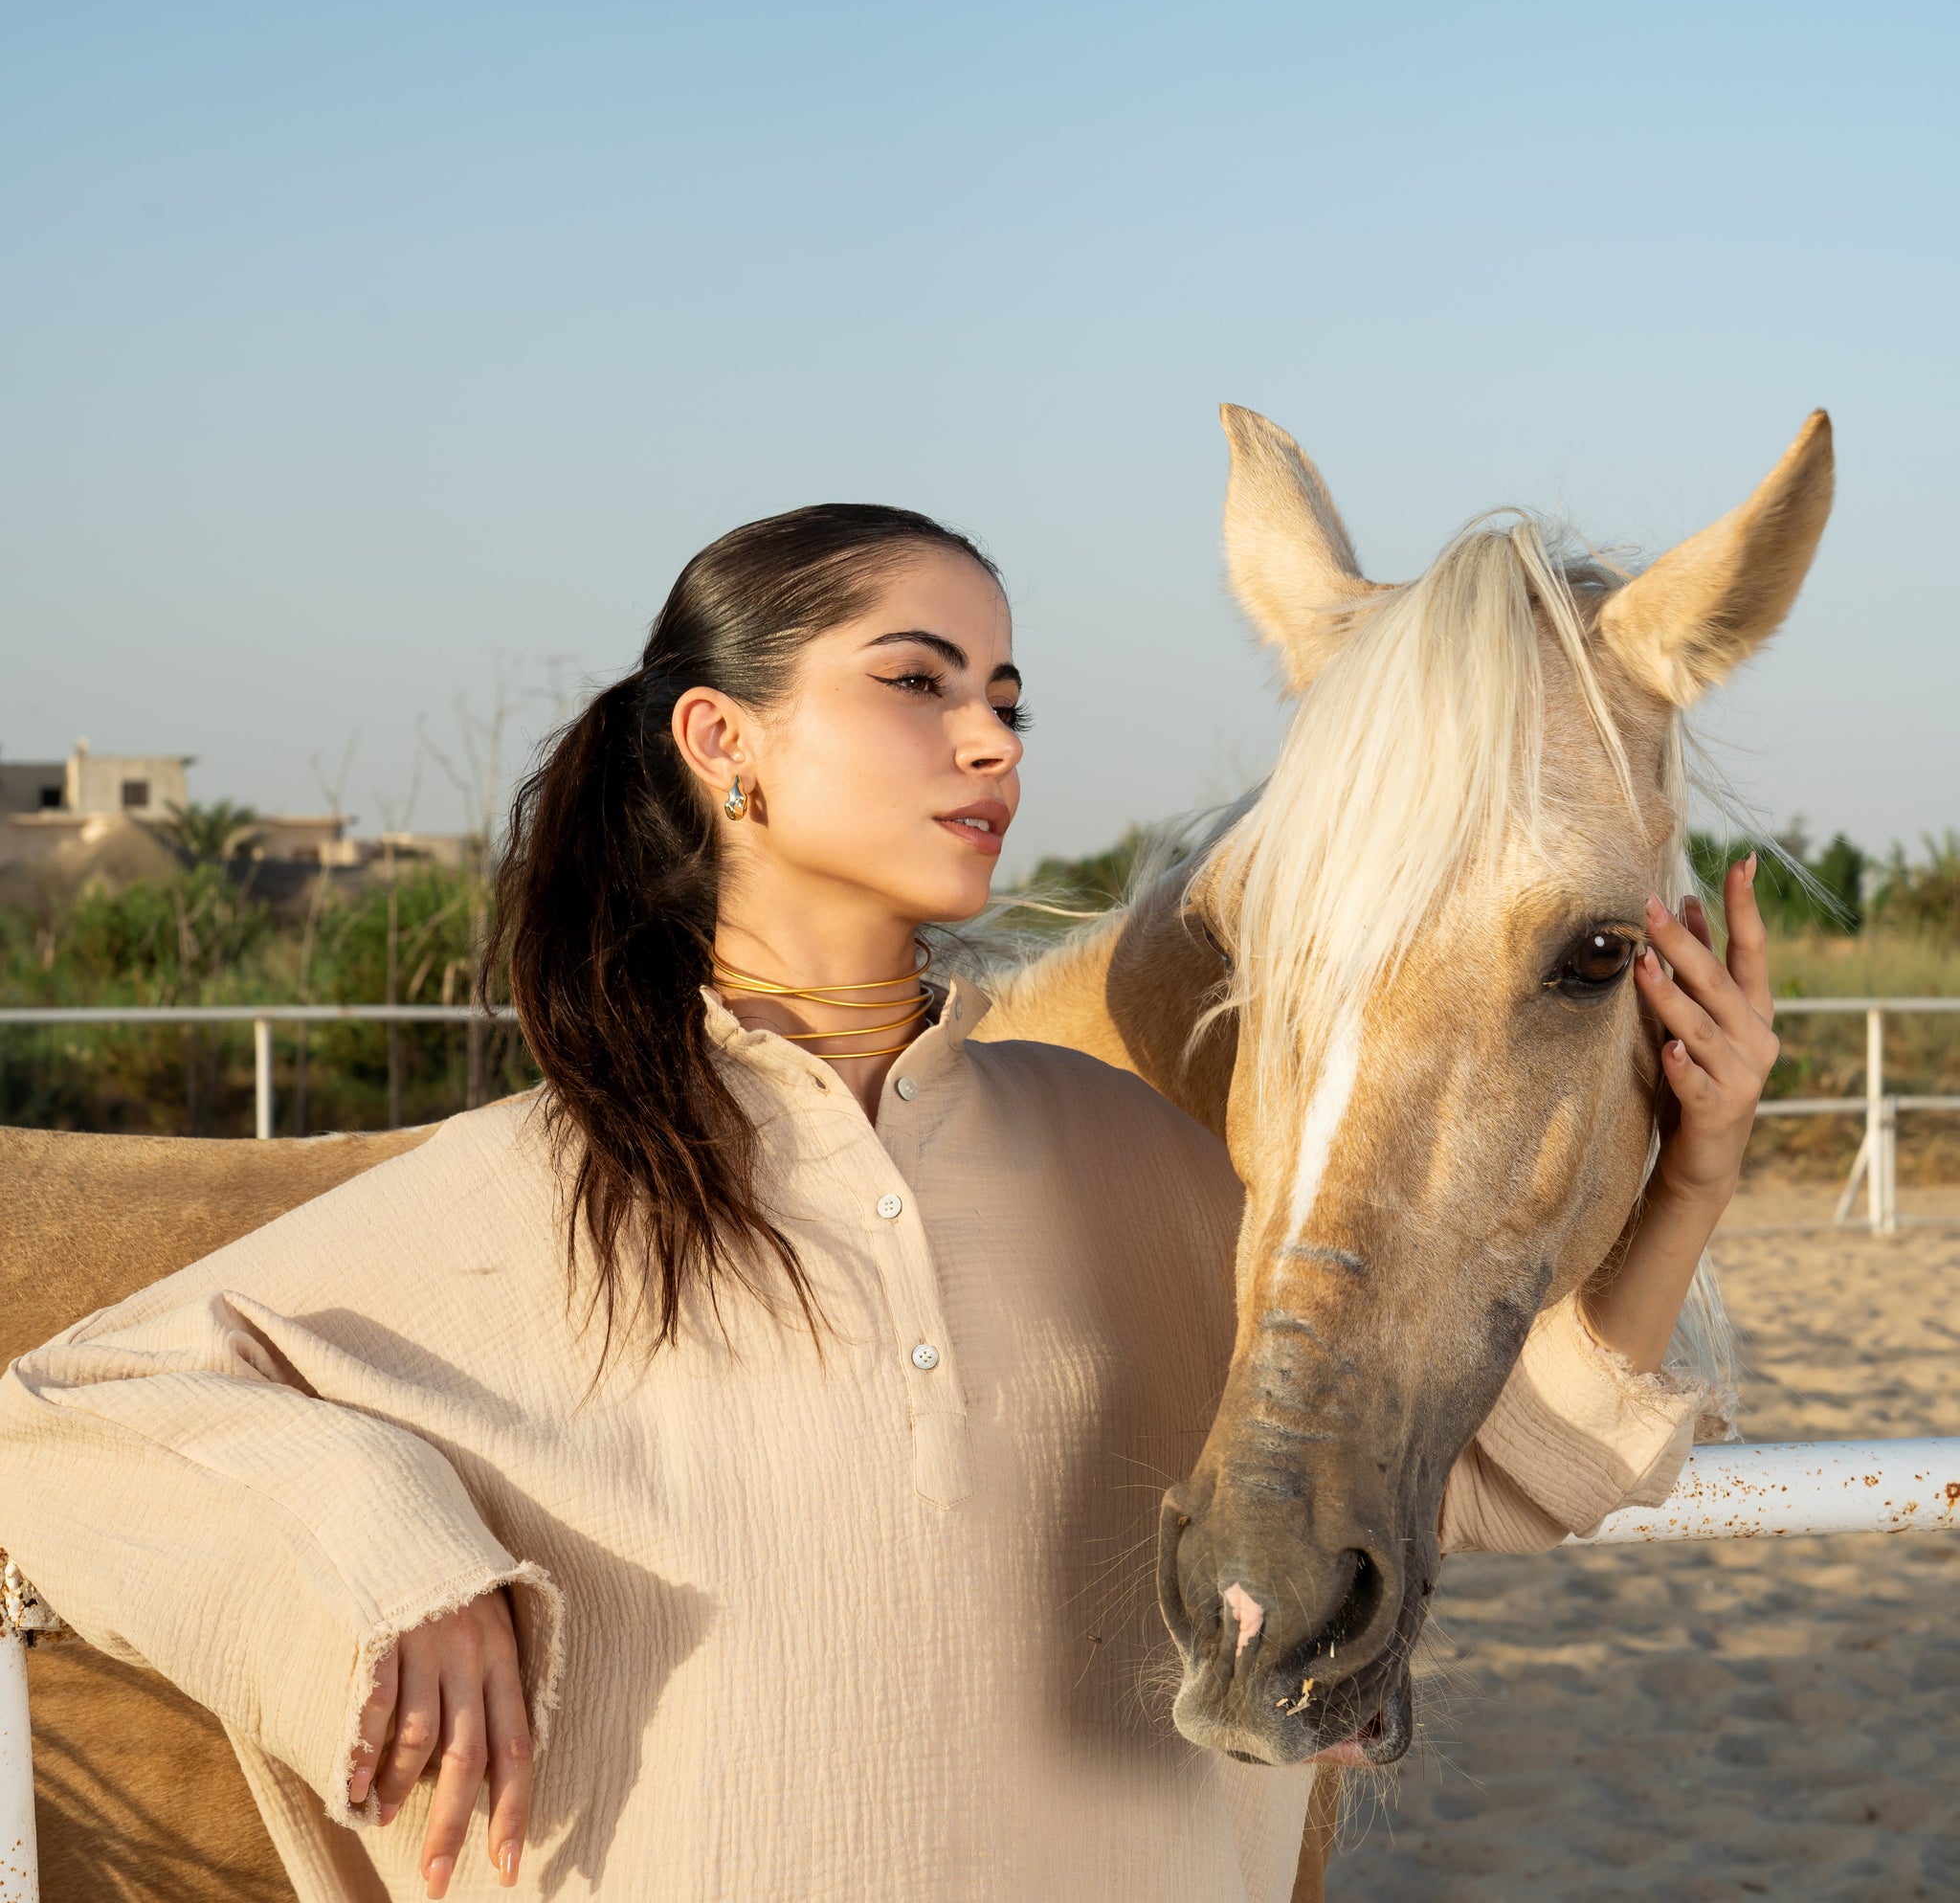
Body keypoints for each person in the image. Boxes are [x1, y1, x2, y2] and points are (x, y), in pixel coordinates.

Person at [0, 505, 1775, 1903]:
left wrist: (1692, 1170)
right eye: (918, 683)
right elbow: (59, 1417)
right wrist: (393, 1555)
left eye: (1009, 695)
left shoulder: (1127, 1157)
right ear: (723, 741)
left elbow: (1449, 1467)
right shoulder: (543, 1183)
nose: (990, 740)